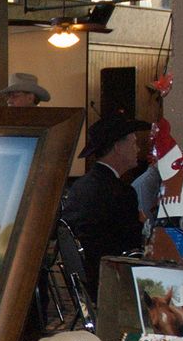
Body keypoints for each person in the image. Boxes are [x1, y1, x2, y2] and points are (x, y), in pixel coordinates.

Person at [58, 114, 148, 299]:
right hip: (111, 280)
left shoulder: (79, 186)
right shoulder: (120, 192)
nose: (138, 149)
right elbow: (134, 248)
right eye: (133, 143)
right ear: (118, 147)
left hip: (84, 279)